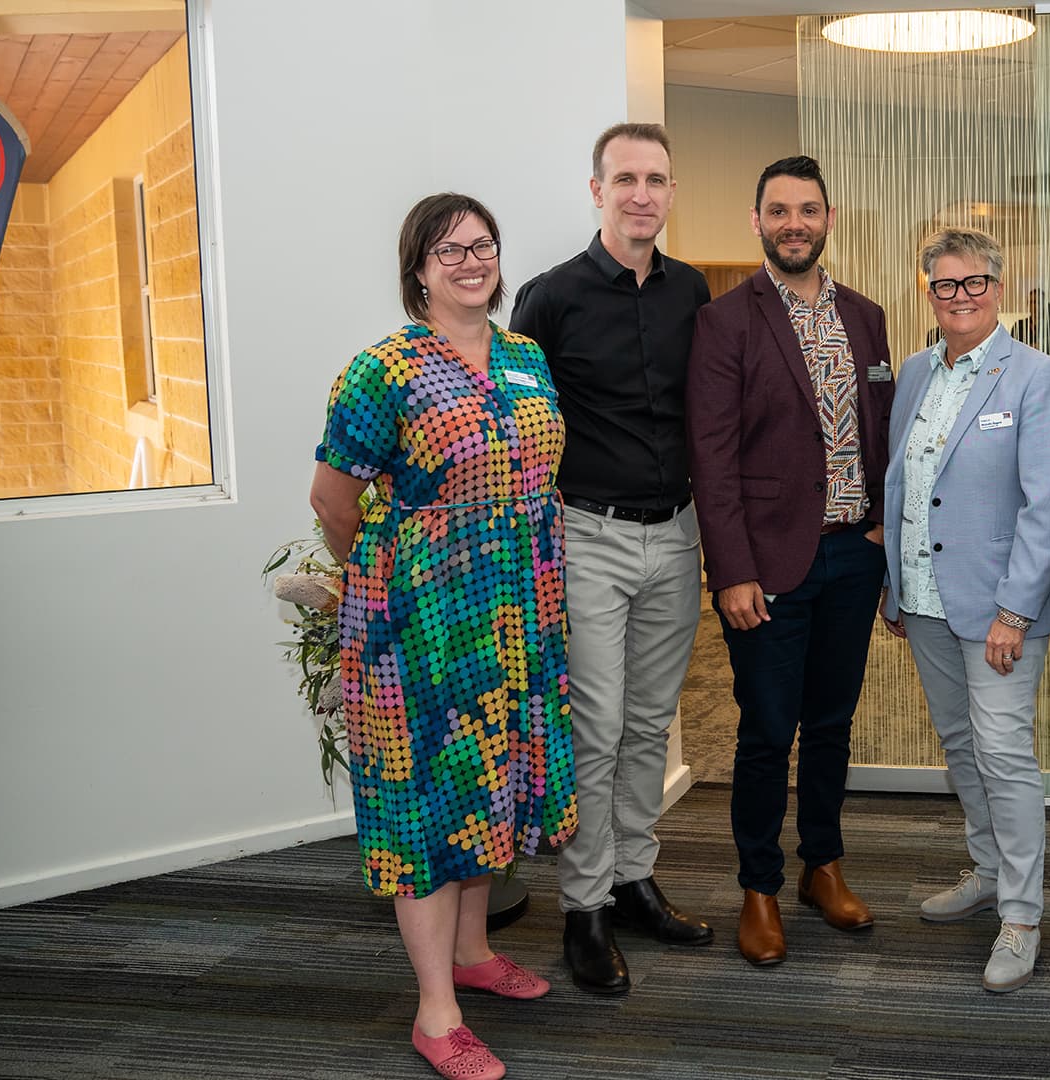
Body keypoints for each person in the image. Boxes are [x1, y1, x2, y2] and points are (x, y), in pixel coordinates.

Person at [309, 194, 575, 1080]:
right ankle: (436, 1013)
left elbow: (539, 475)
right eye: (449, 250)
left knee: (486, 786)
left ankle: (472, 955)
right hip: (419, 629)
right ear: (418, 268)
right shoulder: (382, 371)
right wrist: (388, 582)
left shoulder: (526, 357)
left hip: (514, 617)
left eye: (484, 246)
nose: (471, 262)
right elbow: (332, 502)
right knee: (427, 808)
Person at [509, 122, 714, 996]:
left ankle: (634, 878)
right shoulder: (548, 299)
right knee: (594, 727)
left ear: (671, 193)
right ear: (597, 190)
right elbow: (517, 430)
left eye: (656, 179)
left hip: (677, 534)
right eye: (625, 177)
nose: (642, 194)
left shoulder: (695, 291)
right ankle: (584, 908)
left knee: (649, 721)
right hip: (585, 536)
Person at [686, 155, 896, 967]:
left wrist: (881, 530)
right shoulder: (725, 321)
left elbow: (881, 429)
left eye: (808, 209)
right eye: (779, 211)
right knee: (768, 731)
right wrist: (731, 570)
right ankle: (760, 886)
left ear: (829, 217)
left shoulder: (867, 316)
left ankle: (824, 866)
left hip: (853, 556)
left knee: (833, 724)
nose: (794, 223)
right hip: (768, 568)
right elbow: (712, 454)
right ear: (758, 221)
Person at [881, 227, 1050, 993]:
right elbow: (903, 484)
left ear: (999, 286)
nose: (960, 297)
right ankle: (990, 871)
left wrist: (1016, 612)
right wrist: (894, 585)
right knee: (961, 746)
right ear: (926, 291)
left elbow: (1043, 503)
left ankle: (1023, 915)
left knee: (1004, 754)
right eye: (944, 285)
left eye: (975, 283)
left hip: (1000, 607)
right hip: (925, 598)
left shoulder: (1035, 374)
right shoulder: (914, 371)